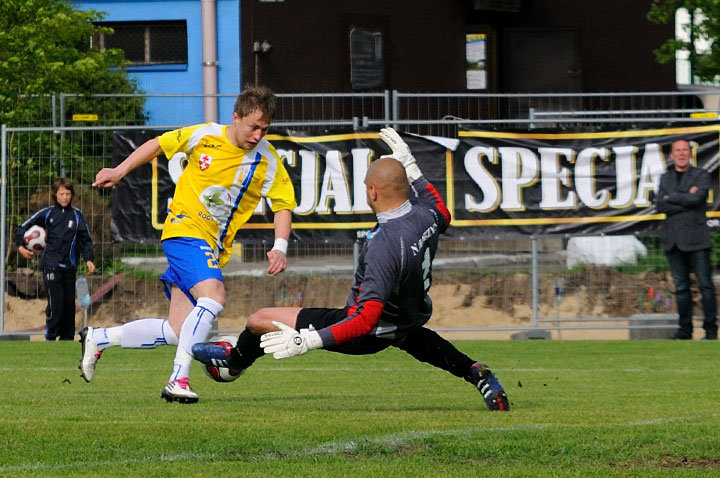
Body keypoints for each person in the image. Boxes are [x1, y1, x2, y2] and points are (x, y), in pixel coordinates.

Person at [192, 128, 510, 411]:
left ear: (372, 192)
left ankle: (232, 364)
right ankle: (477, 372)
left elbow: (365, 319)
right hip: (408, 314)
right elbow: (443, 212)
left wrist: (310, 340)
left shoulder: (385, 244)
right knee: (412, 337)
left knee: (259, 319)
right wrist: (412, 169)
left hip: (365, 330)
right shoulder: (424, 214)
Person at [79, 85, 297, 403]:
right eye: (253, 126)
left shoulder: (267, 159)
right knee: (214, 295)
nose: (257, 134)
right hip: (185, 231)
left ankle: (99, 338)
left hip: (212, 247)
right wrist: (120, 170)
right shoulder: (205, 135)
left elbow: (282, 204)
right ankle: (178, 378)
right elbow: (158, 144)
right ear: (236, 118)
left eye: (264, 129)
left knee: (179, 330)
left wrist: (280, 246)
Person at [14, 177, 96, 341]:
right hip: (50, 265)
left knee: (69, 305)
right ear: (55, 195)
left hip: (70, 266)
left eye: (67, 193)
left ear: (72, 195)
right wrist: (21, 246)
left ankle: (66, 338)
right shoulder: (47, 214)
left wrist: (89, 258)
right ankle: (51, 335)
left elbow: (85, 239)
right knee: (56, 302)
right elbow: (23, 227)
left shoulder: (77, 216)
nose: (65, 197)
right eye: (61, 194)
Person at [655, 139, 718, 340]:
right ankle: (685, 330)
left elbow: (697, 199)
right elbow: (659, 205)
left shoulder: (701, 175)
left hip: (697, 240)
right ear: (671, 155)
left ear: (690, 154)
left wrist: (670, 197)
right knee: (681, 288)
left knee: (705, 286)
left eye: (685, 150)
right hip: (673, 240)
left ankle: (710, 330)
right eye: (677, 150)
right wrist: (683, 198)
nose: (681, 154)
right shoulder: (665, 178)